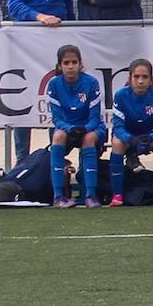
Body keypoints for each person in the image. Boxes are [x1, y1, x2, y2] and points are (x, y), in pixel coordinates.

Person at [6, 0, 75, 164]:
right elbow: (14, 4)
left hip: (57, 41)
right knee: (26, 100)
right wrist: (39, 16)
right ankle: (22, 161)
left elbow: (68, 4)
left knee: (55, 99)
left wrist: (72, 29)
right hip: (27, 41)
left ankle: (53, 157)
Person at [44, 44, 105, 208]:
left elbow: (94, 117)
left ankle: (90, 195)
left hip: (90, 128)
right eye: (66, 63)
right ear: (59, 66)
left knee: (88, 139)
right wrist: (70, 128)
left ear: (80, 64)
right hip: (68, 128)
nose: (70, 66)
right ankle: (58, 197)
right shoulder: (54, 84)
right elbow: (57, 119)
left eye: (74, 62)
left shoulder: (91, 82)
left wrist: (85, 128)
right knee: (58, 136)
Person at [110, 58, 153, 206]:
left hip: (149, 136)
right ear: (130, 78)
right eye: (136, 77)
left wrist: (150, 138)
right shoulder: (121, 96)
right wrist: (131, 140)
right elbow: (118, 127)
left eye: (145, 77)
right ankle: (117, 195)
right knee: (116, 143)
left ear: (151, 79)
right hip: (128, 137)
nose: (140, 81)